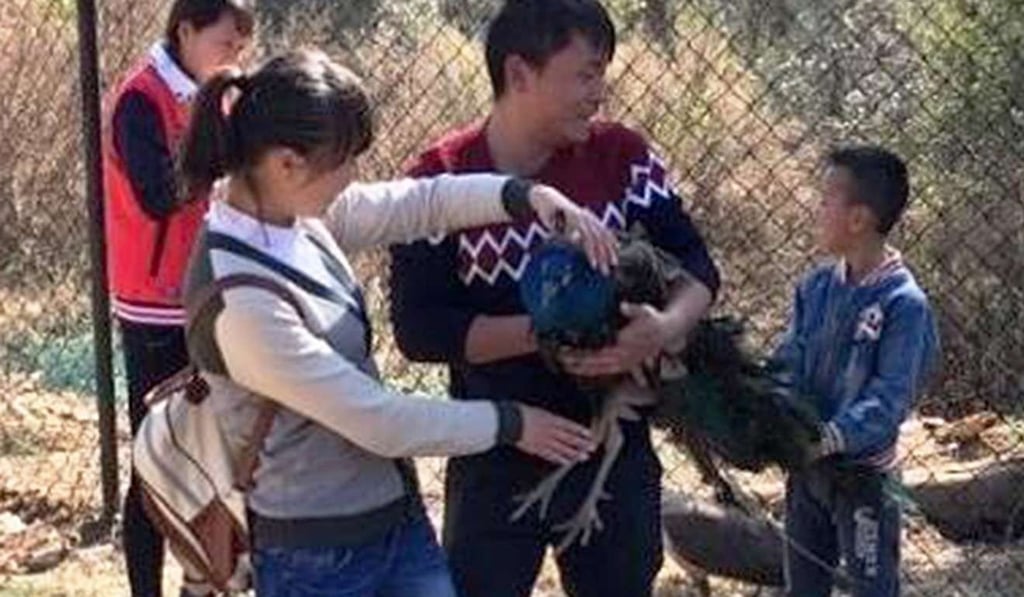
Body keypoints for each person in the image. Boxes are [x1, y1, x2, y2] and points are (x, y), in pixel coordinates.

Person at [177, 48, 618, 597]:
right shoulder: (240, 299)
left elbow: (419, 204)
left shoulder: (292, 216)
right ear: (287, 163)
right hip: (317, 559)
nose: (352, 178)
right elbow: (378, 420)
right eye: (344, 161)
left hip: (396, 523)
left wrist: (527, 196)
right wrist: (512, 423)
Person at [387, 1, 720, 595]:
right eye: (585, 75)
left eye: (602, 74)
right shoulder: (438, 180)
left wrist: (664, 328)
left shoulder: (621, 157)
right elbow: (421, 329)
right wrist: (547, 335)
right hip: (497, 443)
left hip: (612, 442)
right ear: (520, 73)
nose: (599, 93)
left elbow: (697, 267)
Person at [101, 2, 254, 595]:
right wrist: (219, 154)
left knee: (230, 456)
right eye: (226, 41)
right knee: (155, 459)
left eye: (242, 45)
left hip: (216, 293)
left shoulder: (220, 97)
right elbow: (159, 194)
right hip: (155, 306)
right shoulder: (141, 99)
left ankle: (211, 580)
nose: (235, 54)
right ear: (185, 30)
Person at [775, 146, 939, 596]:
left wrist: (831, 436)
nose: (816, 208)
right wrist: (779, 412)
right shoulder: (815, 287)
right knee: (802, 583)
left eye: (825, 199)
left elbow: (890, 399)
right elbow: (789, 359)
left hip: (864, 480)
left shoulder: (903, 305)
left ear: (858, 219)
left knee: (873, 585)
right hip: (807, 472)